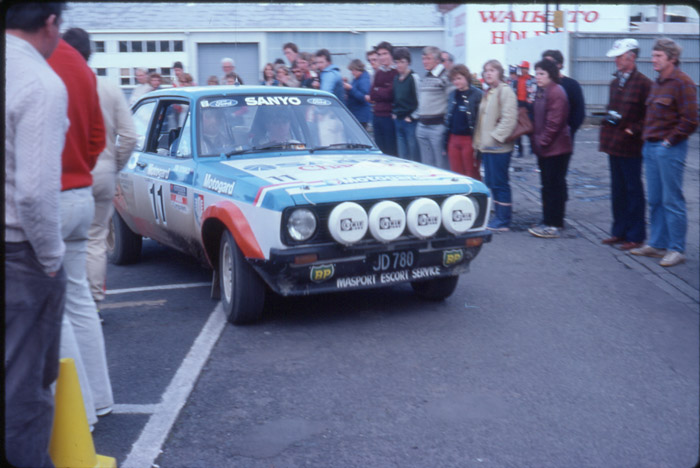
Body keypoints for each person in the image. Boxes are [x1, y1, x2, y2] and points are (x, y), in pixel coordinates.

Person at [6, 4, 69, 466]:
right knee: (23, 393)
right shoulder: (39, 82)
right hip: (19, 253)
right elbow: (33, 194)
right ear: (49, 23)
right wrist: (50, 257)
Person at [48, 31, 114, 427]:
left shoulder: (32, 59)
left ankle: (79, 416)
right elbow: (97, 138)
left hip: (48, 196)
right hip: (78, 191)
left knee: (50, 306)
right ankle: (99, 400)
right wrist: (78, 171)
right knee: (78, 301)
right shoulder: (79, 65)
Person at [62, 27, 139, 317]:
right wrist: (114, 166)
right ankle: (93, 304)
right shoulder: (109, 87)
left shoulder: (59, 84)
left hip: (69, 171)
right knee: (95, 240)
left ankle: (69, 304)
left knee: (65, 240)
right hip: (103, 170)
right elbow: (129, 136)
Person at [630, 38, 698, 267]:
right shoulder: (657, 83)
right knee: (656, 199)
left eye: (658, 56)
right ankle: (657, 244)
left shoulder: (682, 82)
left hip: (669, 148)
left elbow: (691, 120)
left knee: (672, 199)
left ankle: (676, 249)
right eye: (653, 55)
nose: (653, 60)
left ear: (672, 58)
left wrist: (668, 142)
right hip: (650, 147)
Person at [599, 38, 652, 251]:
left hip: (631, 147)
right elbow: (612, 110)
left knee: (633, 190)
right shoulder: (615, 83)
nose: (616, 61)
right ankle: (619, 231)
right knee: (618, 190)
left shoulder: (644, 84)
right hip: (614, 144)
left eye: (619, 57)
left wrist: (634, 129)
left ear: (632, 57)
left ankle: (635, 235)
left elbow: (650, 115)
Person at [528, 59, 573, 239]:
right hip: (545, 148)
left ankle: (554, 224)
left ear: (551, 75)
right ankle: (547, 220)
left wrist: (541, 142)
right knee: (547, 186)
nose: (537, 77)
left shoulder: (556, 92)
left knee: (554, 187)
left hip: (556, 149)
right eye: (536, 73)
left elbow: (554, 123)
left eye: (542, 74)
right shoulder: (542, 91)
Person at [474, 60, 517, 231]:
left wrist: (496, 137)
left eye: (492, 70)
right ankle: (499, 216)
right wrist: (480, 142)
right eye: (486, 70)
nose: (488, 73)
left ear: (500, 72)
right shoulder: (489, 92)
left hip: (499, 147)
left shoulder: (505, 91)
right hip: (487, 146)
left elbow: (509, 118)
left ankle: (503, 220)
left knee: (500, 182)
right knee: (492, 182)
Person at [416, 45, 454, 169]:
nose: (424, 62)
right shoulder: (426, 76)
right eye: (423, 59)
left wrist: (445, 124)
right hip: (422, 126)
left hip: (437, 127)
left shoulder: (446, 77)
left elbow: (451, 102)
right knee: (427, 165)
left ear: (437, 60)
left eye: (428, 58)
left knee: (440, 165)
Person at [446, 64, 484, 180]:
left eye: (459, 78)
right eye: (454, 79)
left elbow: (481, 119)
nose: (456, 82)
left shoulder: (477, 94)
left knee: (471, 173)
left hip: (469, 140)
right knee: (456, 173)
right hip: (453, 138)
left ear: (466, 78)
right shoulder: (452, 94)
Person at [541, 49, 585, 143]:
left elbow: (579, 113)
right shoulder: (540, 85)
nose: (546, 66)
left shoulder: (572, 85)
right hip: (542, 138)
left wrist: (568, 131)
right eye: (544, 63)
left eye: (549, 63)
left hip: (563, 140)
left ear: (559, 65)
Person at [369, 41, 398, 156]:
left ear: (391, 55)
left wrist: (378, 90)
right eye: (380, 54)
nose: (382, 57)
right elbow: (372, 94)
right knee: (380, 151)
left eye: (385, 53)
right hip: (377, 116)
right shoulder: (378, 73)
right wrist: (382, 91)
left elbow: (391, 94)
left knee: (391, 151)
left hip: (389, 117)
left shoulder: (396, 72)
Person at [392, 47, 420, 161]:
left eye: (402, 62)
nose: (399, 65)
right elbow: (396, 98)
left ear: (408, 62)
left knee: (413, 155)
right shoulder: (396, 78)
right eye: (397, 62)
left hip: (410, 122)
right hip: (398, 120)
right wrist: (394, 113)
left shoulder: (414, 77)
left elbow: (420, 100)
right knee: (402, 156)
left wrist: (412, 117)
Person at [513, 60, 536, 158]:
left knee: (530, 128)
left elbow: (534, 94)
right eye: (521, 68)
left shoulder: (532, 80)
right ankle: (520, 151)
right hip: (518, 105)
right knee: (518, 129)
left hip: (528, 106)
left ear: (527, 69)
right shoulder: (516, 80)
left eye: (523, 68)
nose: (521, 70)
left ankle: (532, 148)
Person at [344, 58, 372, 130]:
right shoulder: (356, 79)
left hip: (361, 116)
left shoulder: (364, 80)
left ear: (357, 69)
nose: (352, 73)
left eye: (352, 70)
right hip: (356, 115)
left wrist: (350, 89)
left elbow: (363, 98)